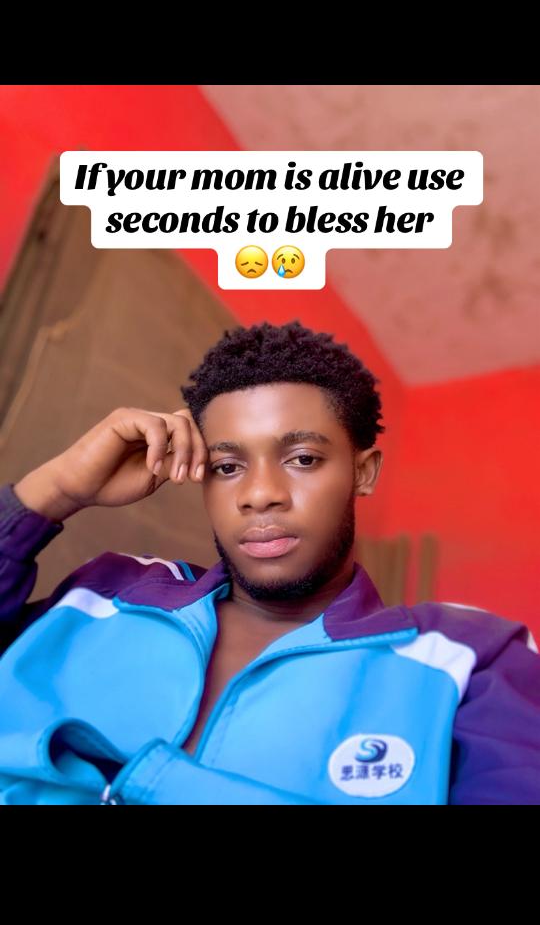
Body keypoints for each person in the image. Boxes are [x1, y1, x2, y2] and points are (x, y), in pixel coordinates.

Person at [0, 319, 539, 805]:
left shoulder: (471, 659)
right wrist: (51, 492)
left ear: (363, 472)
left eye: (302, 459)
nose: (260, 495)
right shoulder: (102, 595)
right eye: (227, 466)